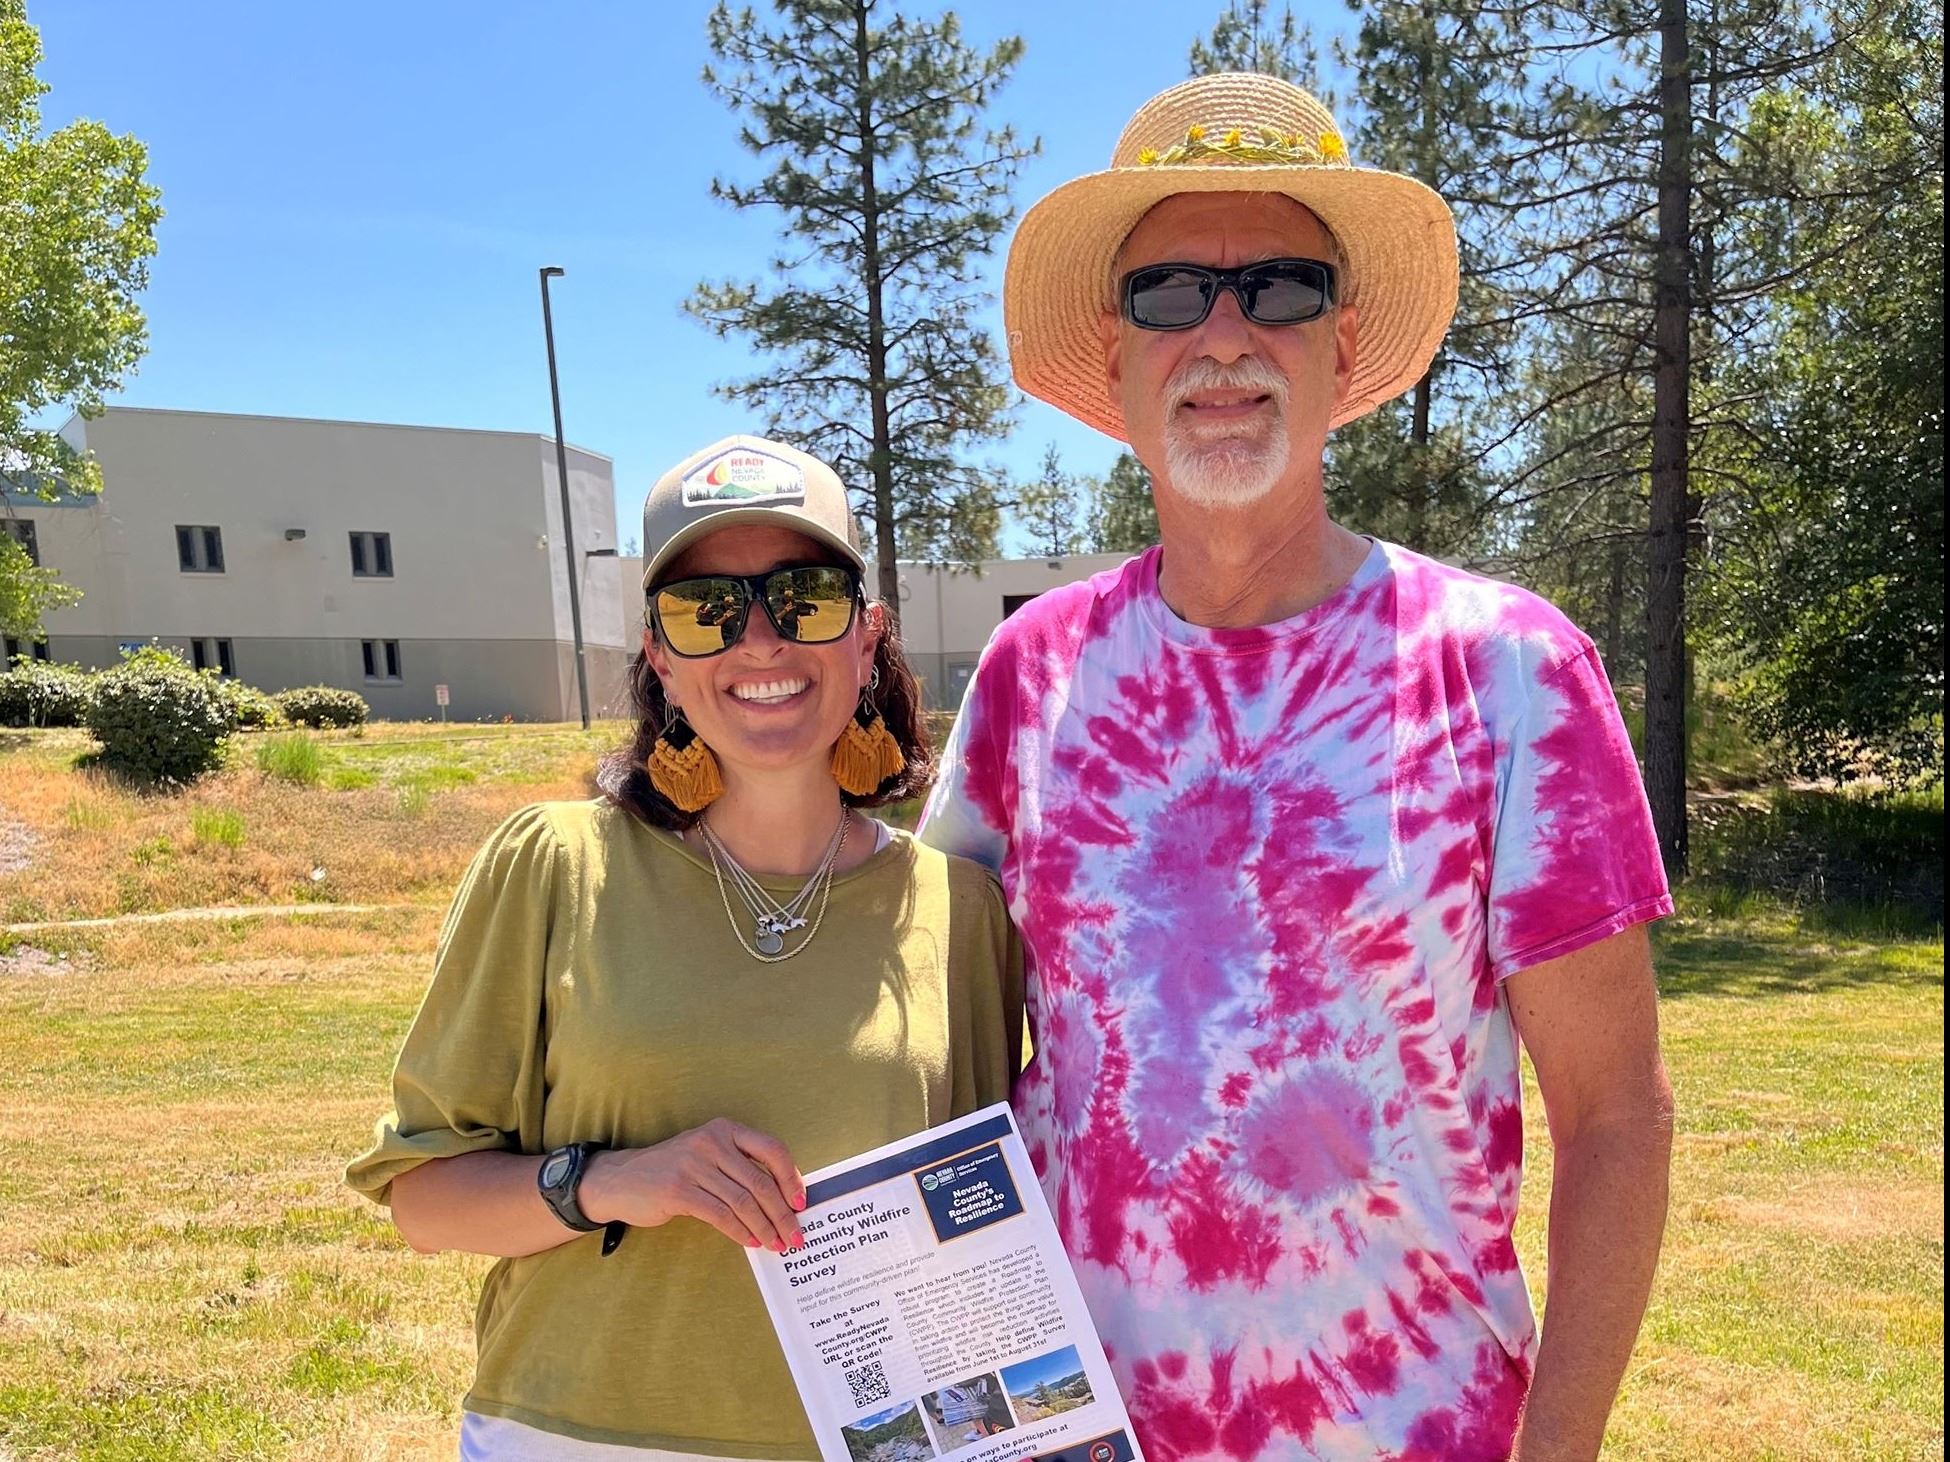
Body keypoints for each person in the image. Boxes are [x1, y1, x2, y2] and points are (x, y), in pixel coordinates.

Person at [920, 74, 1675, 1461]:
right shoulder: (1029, 680)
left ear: (1341, 344)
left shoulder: (1509, 670)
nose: (1222, 337)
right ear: (1114, 354)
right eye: (1167, 295)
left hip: (1413, 1429)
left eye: (1276, 288)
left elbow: (1615, 1114)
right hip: (1077, 1435)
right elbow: (927, 1059)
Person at [347, 434, 1023, 1460]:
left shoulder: (960, 910)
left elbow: (976, 1227)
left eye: (803, 597)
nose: (759, 643)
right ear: (660, 654)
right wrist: (617, 1181)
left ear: (867, 634)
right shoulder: (554, 864)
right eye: (706, 609)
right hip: (572, 1433)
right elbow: (425, 1199)